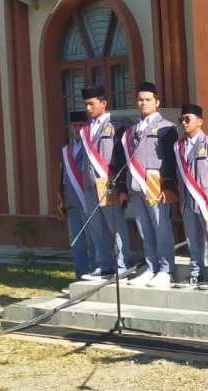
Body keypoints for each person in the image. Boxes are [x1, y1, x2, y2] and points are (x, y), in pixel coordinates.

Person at [121, 82, 180, 288]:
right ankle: (151, 267)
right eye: (140, 100)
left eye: (147, 99)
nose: (143, 103)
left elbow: (171, 160)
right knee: (144, 229)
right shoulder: (132, 130)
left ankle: (166, 269)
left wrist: (169, 186)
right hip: (136, 185)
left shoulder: (167, 128)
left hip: (156, 184)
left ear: (157, 102)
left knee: (160, 227)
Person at [77, 85, 132, 281]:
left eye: (92, 104)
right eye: (86, 105)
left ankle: (123, 265)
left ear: (104, 103)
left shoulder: (116, 127)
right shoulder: (85, 130)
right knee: (96, 227)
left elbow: (123, 159)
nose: (88, 108)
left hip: (108, 183)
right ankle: (105, 265)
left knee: (115, 225)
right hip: (90, 184)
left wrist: (121, 186)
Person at [172, 103, 208, 290]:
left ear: (200, 121)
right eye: (182, 119)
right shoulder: (178, 146)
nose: (184, 122)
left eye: (188, 119)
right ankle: (195, 274)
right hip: (188, 202)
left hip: (207, 202)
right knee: (192, 240)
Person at [58, 110, 96, 280]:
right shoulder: (66, 150)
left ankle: (96, 272)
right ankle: (80, 277)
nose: (78, 129)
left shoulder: (92, 147)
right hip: (72, 204)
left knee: (93, 242)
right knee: (77, 244)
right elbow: (63, 177)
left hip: (88, 202)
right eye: (75, 125)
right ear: (70, 127)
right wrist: (61, 201)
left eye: (82, 125)